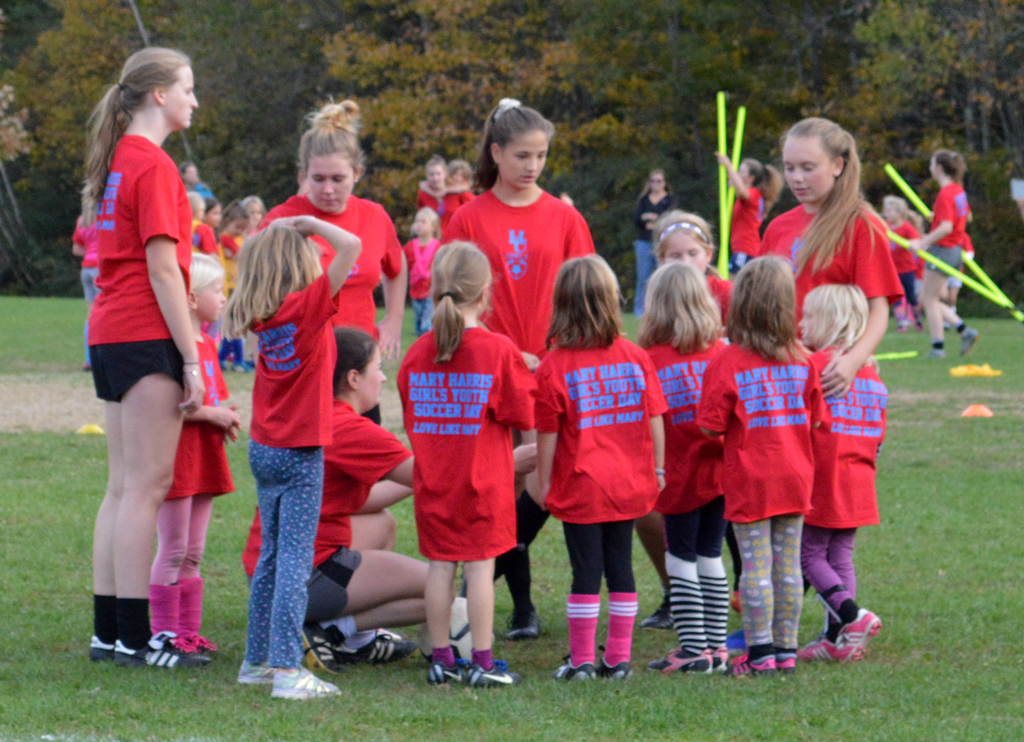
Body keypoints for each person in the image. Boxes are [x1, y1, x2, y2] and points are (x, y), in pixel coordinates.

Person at [445, 98, 595, 640]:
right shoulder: (468, 216)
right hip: (485, 372)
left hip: (549, 373)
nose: (533, 166)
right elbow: (449, 296)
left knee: (542, 484)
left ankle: (469, 597)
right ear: (496, 153)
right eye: (522, 155)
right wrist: (496, 349)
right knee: (492, 492)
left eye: (541, 156)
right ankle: (514, 607)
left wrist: (556, 353)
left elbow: (586, 295)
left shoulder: (564, 216)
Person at [83, 47, 206, 669]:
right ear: (158, 93)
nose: (193, 99)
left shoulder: (119, 160)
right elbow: (162, 267)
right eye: (187, 87)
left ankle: (111, 630)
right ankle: (133, 634)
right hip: (141, 331)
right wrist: (191, 359)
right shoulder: (151, 165)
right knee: (147, 489)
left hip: (109, 329)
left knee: (123, 487)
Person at [226, 216, 361, 700]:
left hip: (265, 449)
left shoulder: (265, 314)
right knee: (293, 563)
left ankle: (257, 660)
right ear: (299, 265)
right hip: (301, 452)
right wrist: (306, 223)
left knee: (271, 557)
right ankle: (286, 668)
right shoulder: (306, 307)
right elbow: (352, 244)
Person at [398, 241, 537, 687]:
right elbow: (523, 413)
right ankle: (482, 660)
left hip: (434, 482)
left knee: (441, 566)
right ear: (485, 294)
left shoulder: (417, 352)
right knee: (479, 568)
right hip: (484, 484)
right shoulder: (497, 350)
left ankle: (441, 659)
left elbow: (411, 412)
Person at [535, 255, 668, 681]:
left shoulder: (554, 365)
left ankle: (581, 662)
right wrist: (659, 470)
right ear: (612, 301)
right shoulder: (635, 357)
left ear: (561, 305)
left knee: (586, 573)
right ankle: (619, 659)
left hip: (582, 485)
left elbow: (548, 437)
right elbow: (655, 419)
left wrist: (542, 481)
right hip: (628, 483)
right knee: (622, 568)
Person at [696, 257, 825, 677]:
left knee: (755, 567)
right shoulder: (803, 360)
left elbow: (709, 427)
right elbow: (817, 417)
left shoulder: (728, 361)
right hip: (795, 475)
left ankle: (760, 654)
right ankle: (786, 651)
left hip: (751, 478)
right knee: (788, 567)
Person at [260, 100, 407, 381]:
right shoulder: (284, 218)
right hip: (303, 363)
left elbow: (396, 267)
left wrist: (395, 318)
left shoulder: (374, 217)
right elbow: (253, 281)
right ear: (303, 175)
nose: (328, 189)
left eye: (338, 178)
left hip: (358, 363)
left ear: (357, 173)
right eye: (318, 178)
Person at [761, 117, 903, 399]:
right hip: (780, 375)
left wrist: (853, 361)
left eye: (808, 168)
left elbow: (878, 309)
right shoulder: (778, 227)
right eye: (789, 168)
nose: (796, 178)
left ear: (838, 166)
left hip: (832, 379)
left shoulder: (861, 225)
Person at [638, 262, 730, 674]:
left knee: (680, 558)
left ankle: (693, 649)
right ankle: (717, 647)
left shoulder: (649, 359)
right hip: (720, 472)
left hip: (676, 472)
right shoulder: (724, 351)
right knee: (712, 554)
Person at [149, 253, 241, 655]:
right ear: (189, 297)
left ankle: (189, 633)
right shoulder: (174, 347)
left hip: (205, 457)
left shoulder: (207, 343)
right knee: (172, 549)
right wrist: (215, 413)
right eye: (216, 291)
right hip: (178, 458)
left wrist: (224, 414)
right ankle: (164, 633)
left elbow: (211, 397)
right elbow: (175, 406)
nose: (223, 298)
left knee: (195, 551)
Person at [799, 284, 885, 663]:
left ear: (831, 322)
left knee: (810, 555)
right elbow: (879, 434)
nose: (801, 324)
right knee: (841, 555)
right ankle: (839, 642)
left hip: (824, 477)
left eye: (809, 316)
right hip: (860, 478)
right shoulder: (872, 374)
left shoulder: (816, 367)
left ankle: (853, 617)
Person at [906, 149, 979, 358]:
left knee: (928, 300)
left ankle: (938, 348)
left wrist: (922, 243)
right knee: (931, 298)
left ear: (939, 168)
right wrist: (935, 216)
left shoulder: (946, 193)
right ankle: (964, 331)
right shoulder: (958, 190)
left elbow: (947, 227)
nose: (930, 168)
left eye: (931, 164)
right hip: (955, 250)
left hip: (943, 250)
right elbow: (967, 216)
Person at [653, 210, 732, 326]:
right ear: (662, 259)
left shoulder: (726, 293)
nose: (685, 262)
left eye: (692, 254)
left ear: (708, 254)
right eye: (675, 256)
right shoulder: (659, 296)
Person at [713, 154, 783, 274]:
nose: (738, 174)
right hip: (745, 249)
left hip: (745, 249)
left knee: (734, 284)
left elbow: (743, 192)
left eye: (741, 171)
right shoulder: (752, 197)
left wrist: (728, 165)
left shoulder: (754, 194)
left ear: (751, 178)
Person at [633, 169, 674, 315]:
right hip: (644, 242)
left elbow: (669, 218)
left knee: (662, 277)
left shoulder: (669, 200)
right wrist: (651, 220)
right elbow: (637, 220)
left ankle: (662, 310)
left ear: (664, 183)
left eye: (659, 181)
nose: (656, 184)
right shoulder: (644, 200)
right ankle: (640, 312)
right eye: (653, 181)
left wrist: (651, 218)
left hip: (661, 243)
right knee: (643, 278)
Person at [217, 201, 252, 372]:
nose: (239, 231)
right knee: (234, 324)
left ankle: (222, 358)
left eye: (242, 228)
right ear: (227, 222)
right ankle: (237, 360)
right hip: (230, 287)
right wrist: (246, 242)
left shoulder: (235, 239)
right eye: (237, 227)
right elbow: (241, 256)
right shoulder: (225, 238)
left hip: (236, 285)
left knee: (234, 325)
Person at [881, 196, 924, 331]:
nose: (886, 214)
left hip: (907, 269)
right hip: (893, 270)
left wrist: (912, 244)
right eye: (885, 211)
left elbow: (917, 241)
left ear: (899, 213)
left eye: (889, 211)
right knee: (896, 297)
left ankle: (918, 319)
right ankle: (902, 322)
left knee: (911, 297)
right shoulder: (886, 227)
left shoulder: (907, 228)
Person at [403, 207, 442, 336]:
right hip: (415, 291)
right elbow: (403, 266)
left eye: (423, 222)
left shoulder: (438, 247)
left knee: (427, 326)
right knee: (419, 325)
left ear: (433, 227)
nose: (418, 224)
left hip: (432, 291)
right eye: (417, 221)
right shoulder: (409, 247)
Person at [72, 214, 100, 371]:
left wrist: (90, 249)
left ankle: (89, 360)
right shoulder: (106, 218)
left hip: (86, 269)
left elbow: (76, 249)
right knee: (104, 314)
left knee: (91, 315)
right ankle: (101, 358)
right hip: (101, 268)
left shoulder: (82, 220)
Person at [188, 193, 218, 257]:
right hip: (199, 264)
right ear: (199, 210)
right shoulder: (203, 228)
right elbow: (211, 253)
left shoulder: (180, 225)